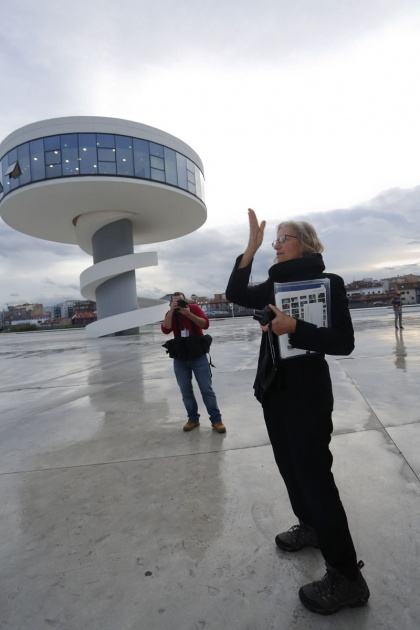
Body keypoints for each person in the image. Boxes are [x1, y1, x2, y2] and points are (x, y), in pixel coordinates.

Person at [225, 209, 369, 615]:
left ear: (304, 244)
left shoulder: (330, 283)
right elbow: (235, 293)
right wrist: (249, 251)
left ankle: (347, 578)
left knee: (316, 478)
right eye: (275, 241)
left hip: (307, 393)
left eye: (281, 239)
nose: (277, 245)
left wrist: (296, 330)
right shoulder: (273, 283)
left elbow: (343, 342)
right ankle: (310, 527)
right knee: (289, 467)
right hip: (275, 389)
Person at [161, 292, 226, 434]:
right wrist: (172, 311)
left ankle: (216, 420)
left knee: (206, 389)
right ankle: (193, 419)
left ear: (186, 301)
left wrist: (188, 314)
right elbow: (165, 329)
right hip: (180, 358)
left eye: (182, 301)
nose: (179, 304)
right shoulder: (170, 312)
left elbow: (205, 324)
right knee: (185, 391)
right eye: (176, 302)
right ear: (171, 303)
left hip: (198, 355)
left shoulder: (194, 309)